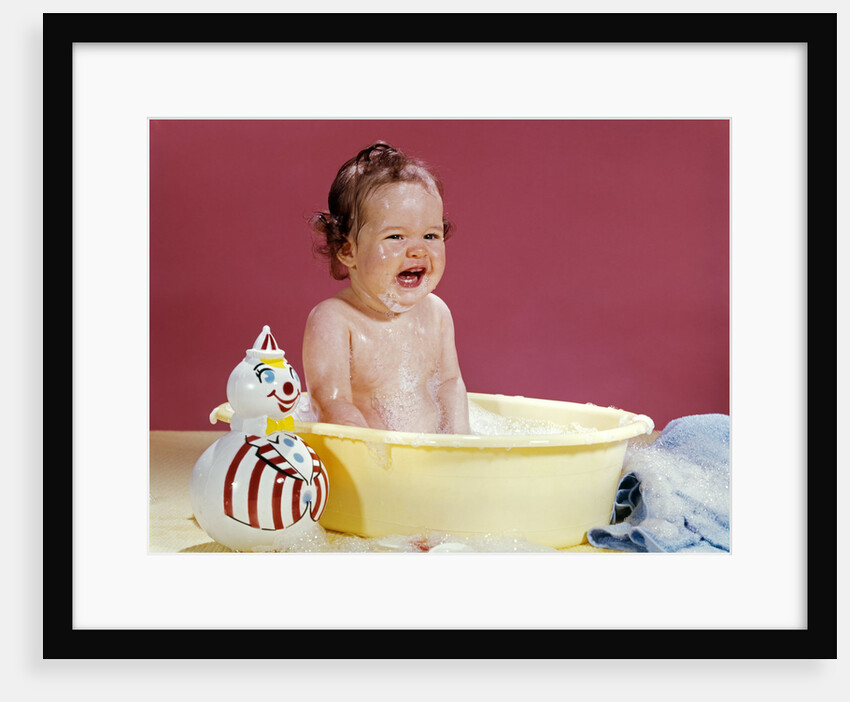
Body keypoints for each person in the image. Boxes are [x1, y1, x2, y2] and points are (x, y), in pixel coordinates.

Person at [302, 141, 470, 434]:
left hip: (433, 459)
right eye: (396, 237)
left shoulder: (436, 313)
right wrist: (369, 454)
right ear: (348, 251)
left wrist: (460, 444)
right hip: (373, 464)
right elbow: (330, 402)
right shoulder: (335, 320)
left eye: (431, 235)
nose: (418, 250)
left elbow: (449, 386)